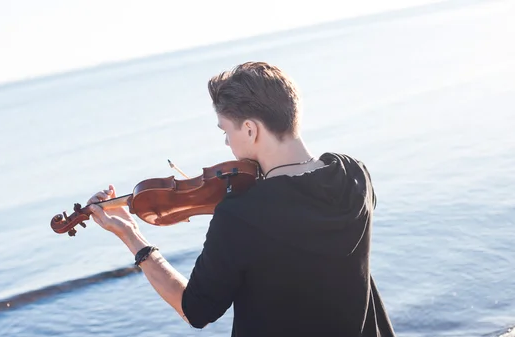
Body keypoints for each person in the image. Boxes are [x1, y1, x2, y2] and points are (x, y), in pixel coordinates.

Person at [86, 61, 396, 336]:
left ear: (250, 129)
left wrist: (131, 235)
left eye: (226, 130)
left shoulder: (241, 215)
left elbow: (195, 310)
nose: (225, 141)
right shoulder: (355, 174)